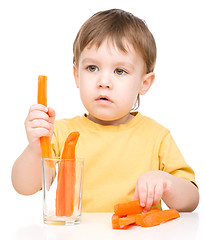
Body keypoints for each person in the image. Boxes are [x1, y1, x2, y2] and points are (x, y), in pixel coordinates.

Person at [11, 9, 199, 212]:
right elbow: (24, 187)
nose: (103, 82)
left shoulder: (157, 137)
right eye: (92, 68)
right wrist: (35, 148)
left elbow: (191, 200)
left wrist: (165, 182)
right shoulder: (59, 133)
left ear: (144, 83)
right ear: (76, 75)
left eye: (120, 71)